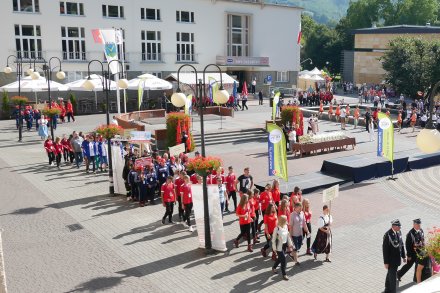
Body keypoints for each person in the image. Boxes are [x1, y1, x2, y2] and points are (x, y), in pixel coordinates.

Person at [382, 219, 406, 293]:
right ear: (394, 226)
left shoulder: (399, 232)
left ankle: (387, 288)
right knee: (393, 278)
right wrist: (386, 262)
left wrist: (403, 256)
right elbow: (385, 250)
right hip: (391, 260)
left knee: (390, 273)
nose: (400, 227)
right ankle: (392, 290)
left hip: (397, 259)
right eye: (398, 226)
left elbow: (401, 245)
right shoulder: (388, 235)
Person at [271, 215, 294, 281]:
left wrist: (290, 244)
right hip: (279, 247)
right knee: (283, 260)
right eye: (286, 220)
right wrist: (274, 249)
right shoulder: (276, 229)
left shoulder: (285, 226)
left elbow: (288, 236)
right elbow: (273, 240)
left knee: (280, 258)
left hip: (284, 245)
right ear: (282, 220)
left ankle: (274, 267)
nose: (287, 221)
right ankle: (284, 274)